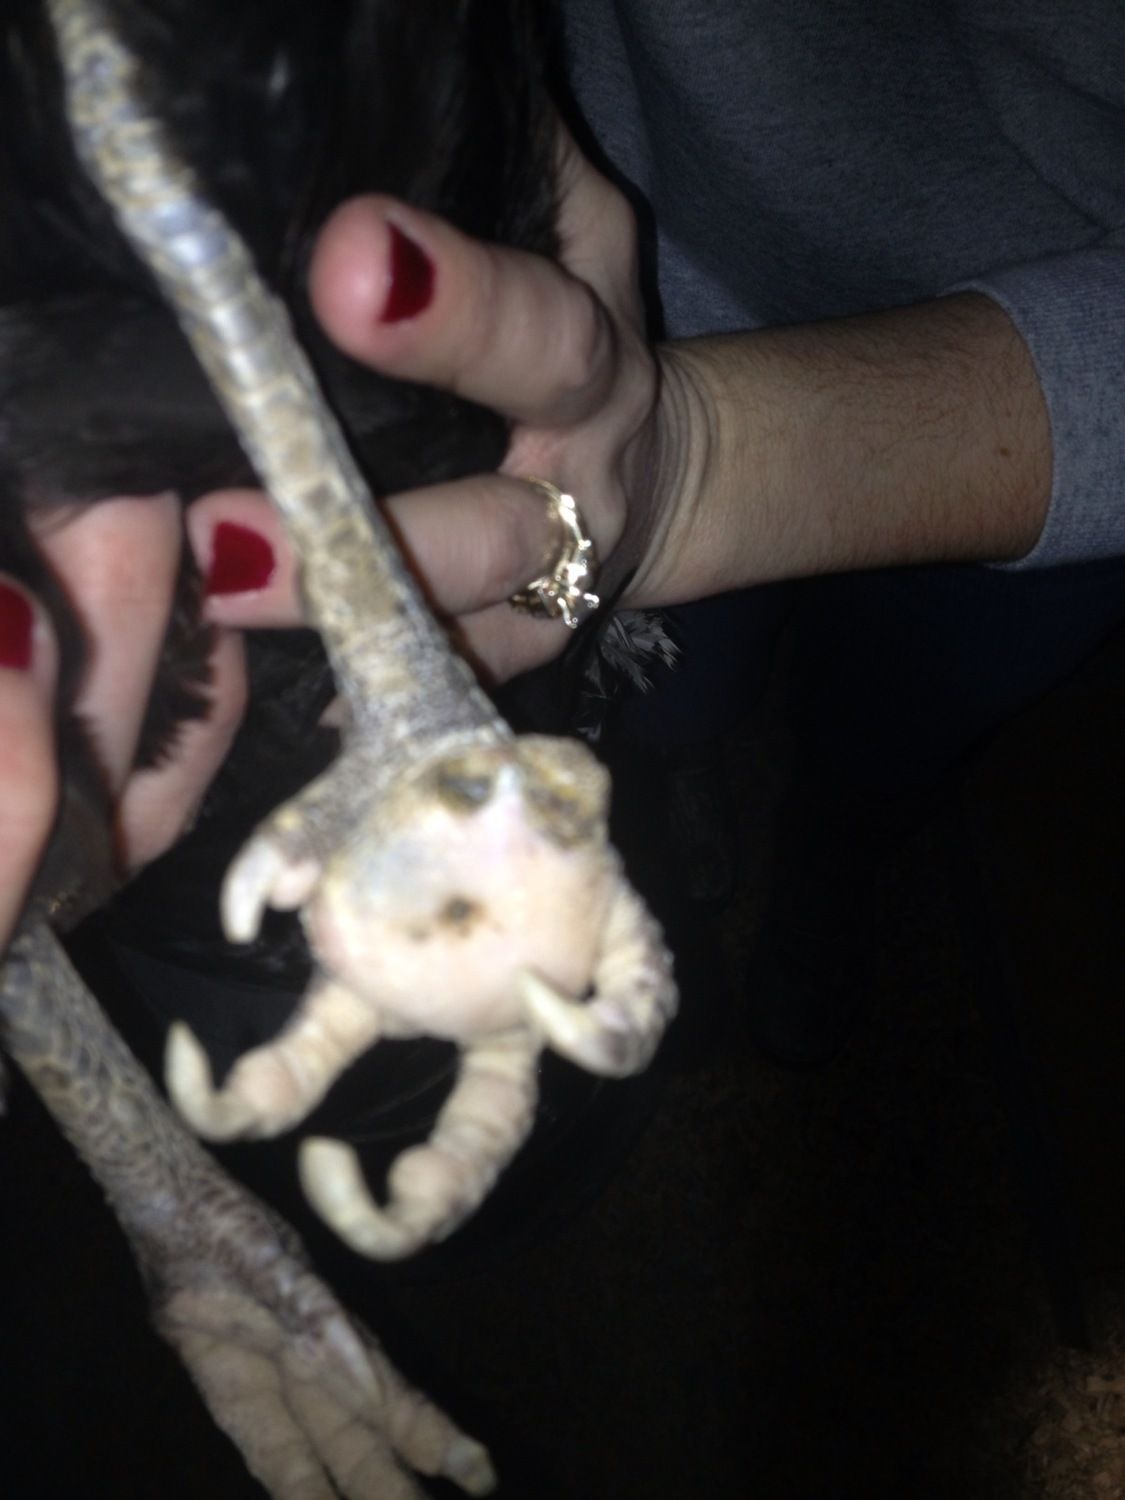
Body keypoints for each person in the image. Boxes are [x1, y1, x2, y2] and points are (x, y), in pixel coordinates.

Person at [5, 1, 1125, 1049]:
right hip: (589, 290)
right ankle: (687, 797)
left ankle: (835, 866)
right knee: (673, 687)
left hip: (1056, 431)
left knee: (897, 722)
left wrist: (705, 462)